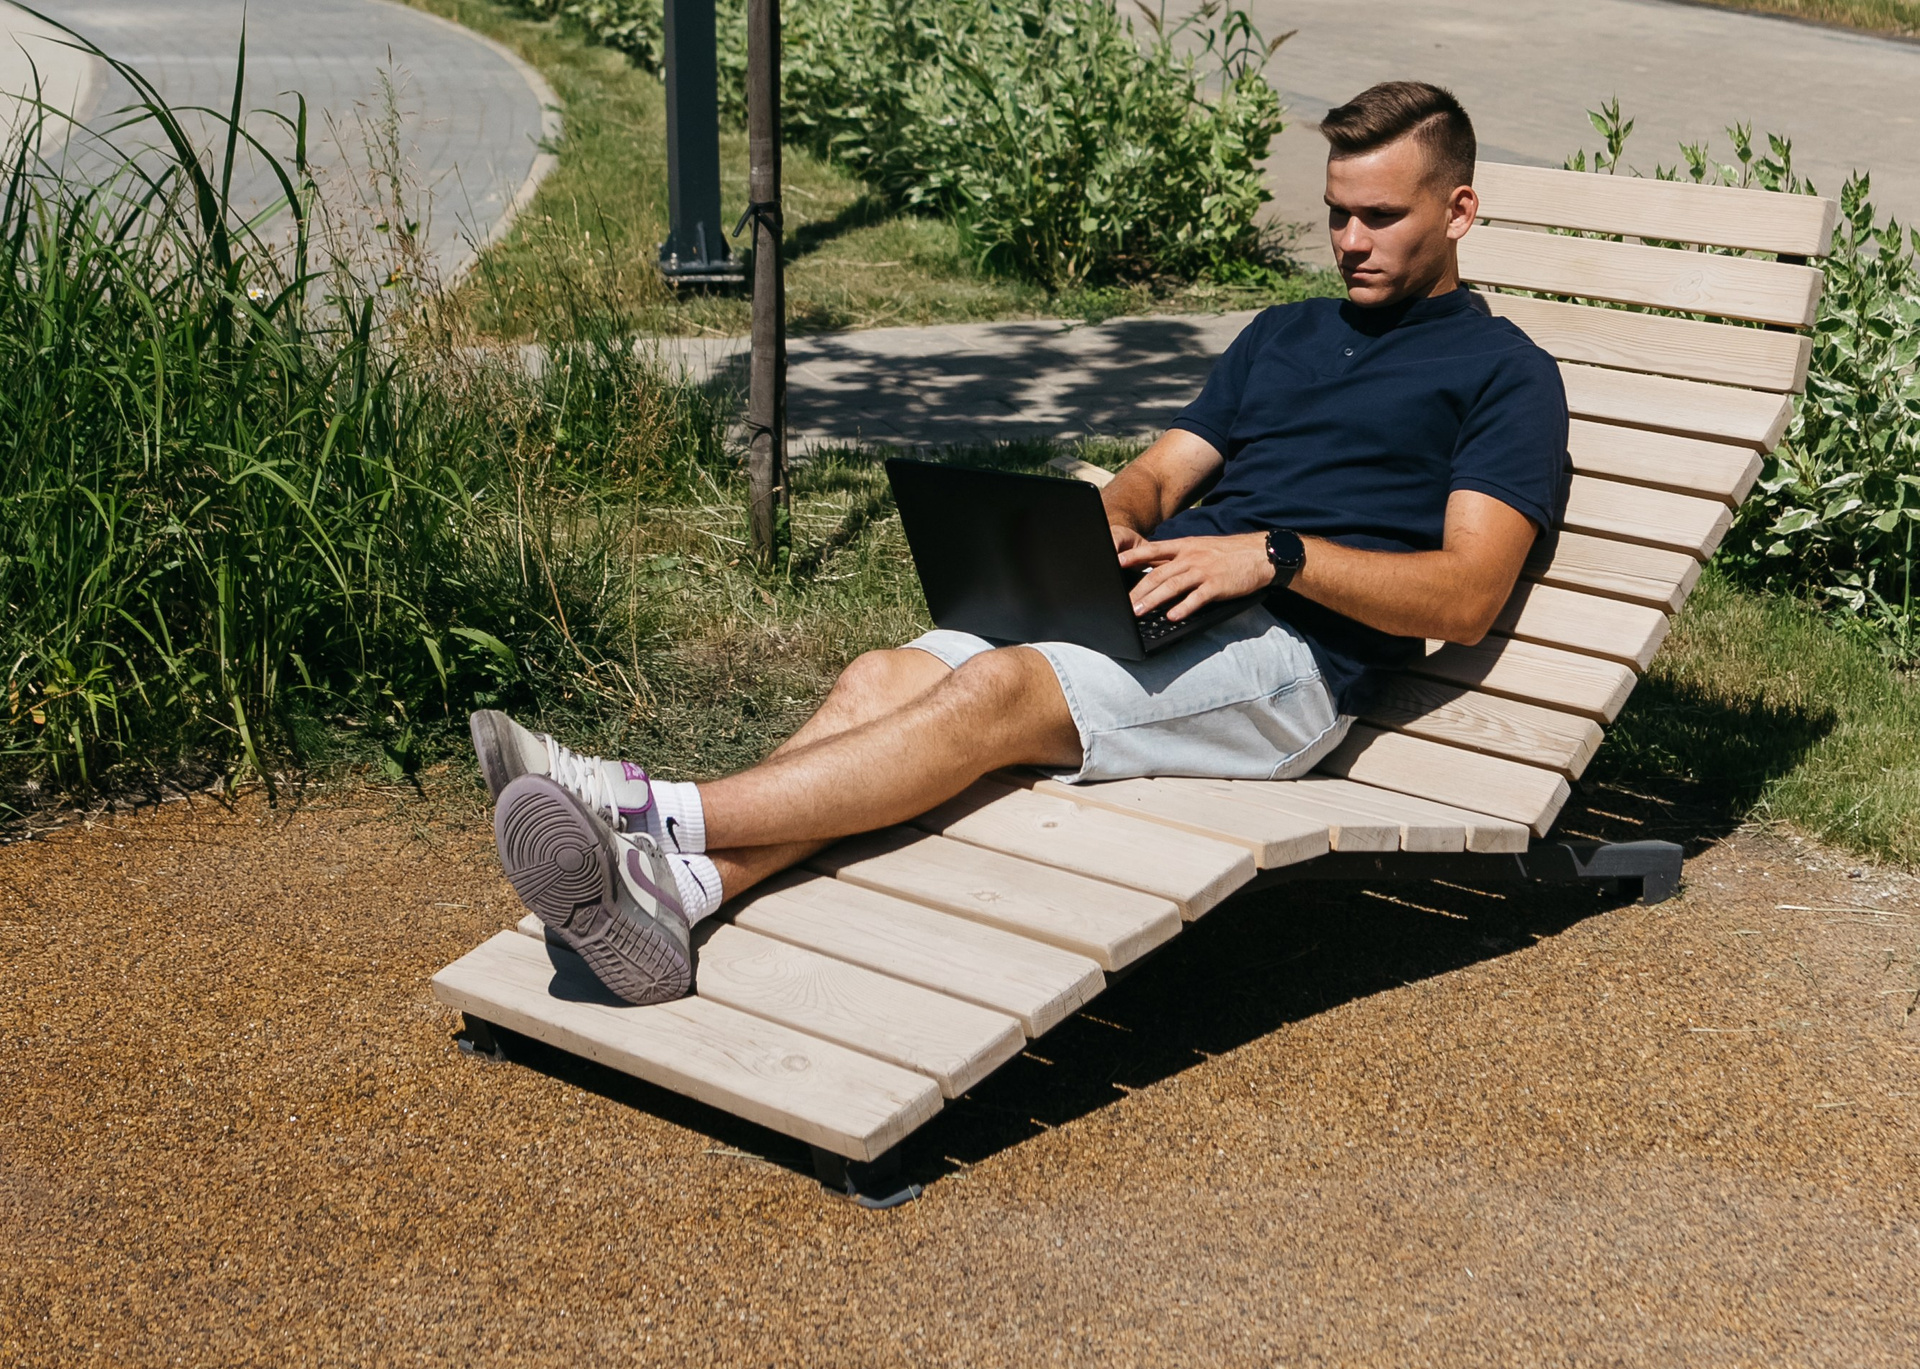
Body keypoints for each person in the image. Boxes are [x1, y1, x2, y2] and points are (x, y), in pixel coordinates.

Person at [469, 77, 1570, 1005]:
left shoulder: (1503, 374)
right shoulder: (1285, 334)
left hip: (1295, 662)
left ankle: (643, 809)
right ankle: (682, 896)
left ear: (1459, 210)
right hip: (1162, 600)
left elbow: (1467, 595)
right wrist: (1111, 523)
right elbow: (1160, 473)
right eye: (1335, 214)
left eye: (1380, 217)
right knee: (878, 677)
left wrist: (1276, 556)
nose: (1349, 242)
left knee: (996, 693)